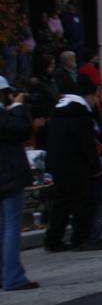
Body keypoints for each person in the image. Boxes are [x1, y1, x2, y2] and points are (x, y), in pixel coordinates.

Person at [44, 75, 102, 252]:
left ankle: (53, 240)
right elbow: (87, 144)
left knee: (61, 203)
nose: (96, 100)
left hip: (57, 165)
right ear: (89, 95)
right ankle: (80, 239)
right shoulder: (81, 114)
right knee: (82, 203)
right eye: (95, 96)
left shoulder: (58, 111)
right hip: (77, 166)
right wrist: (95, 167)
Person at [0, 78, 39, 289]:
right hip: (8, 176)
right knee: (11, 228)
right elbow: (22, 130)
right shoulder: (5, 115)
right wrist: (17, 106)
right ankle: (13, 276)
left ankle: (5, 273)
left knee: (2, 228)